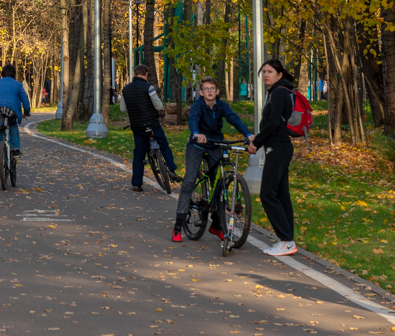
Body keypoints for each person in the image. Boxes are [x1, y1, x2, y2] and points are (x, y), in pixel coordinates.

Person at [173, 75, 252, 243]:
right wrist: (196, 133)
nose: (209, 91)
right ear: (201, 92)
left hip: (216, 143)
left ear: (217, 91)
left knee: (220, 182)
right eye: (206, 89)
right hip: (198, 144)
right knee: (189, 181)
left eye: (212, 89)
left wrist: (248, 134)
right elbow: (193, 120)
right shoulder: (198, 106)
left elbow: (233, 118)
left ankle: (216, 224)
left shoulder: (221, 105)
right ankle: (178, 226)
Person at [248, 59, 299, 256]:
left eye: (270, 71)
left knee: (267, 193)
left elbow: (273, 123)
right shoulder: (278, 91)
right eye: (264, 72)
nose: (266, 75)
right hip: (279, 147)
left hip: (277, 148)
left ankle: (286, 240)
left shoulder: (279, 92)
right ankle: (287, 240)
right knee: (281, 195)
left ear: (280, 74)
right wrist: (258, 139)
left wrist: (256, 143)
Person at [122, 65, 179, 190]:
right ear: (146, 74)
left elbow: (123, 108)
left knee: (139, 153)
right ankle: (172, 169)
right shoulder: (149, 87)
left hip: (137, 126)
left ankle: (136, 183)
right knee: (163, 145)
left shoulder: (125, 89)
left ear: (135, 74)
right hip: (151, 124)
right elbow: (158, 106)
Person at [0, 64, 30, 180]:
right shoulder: (18, 85)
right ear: (14, 75)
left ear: (2, 74)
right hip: (11, 110)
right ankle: (14, 148)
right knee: (13, 124)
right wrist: (27, 112)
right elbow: (25, 100)